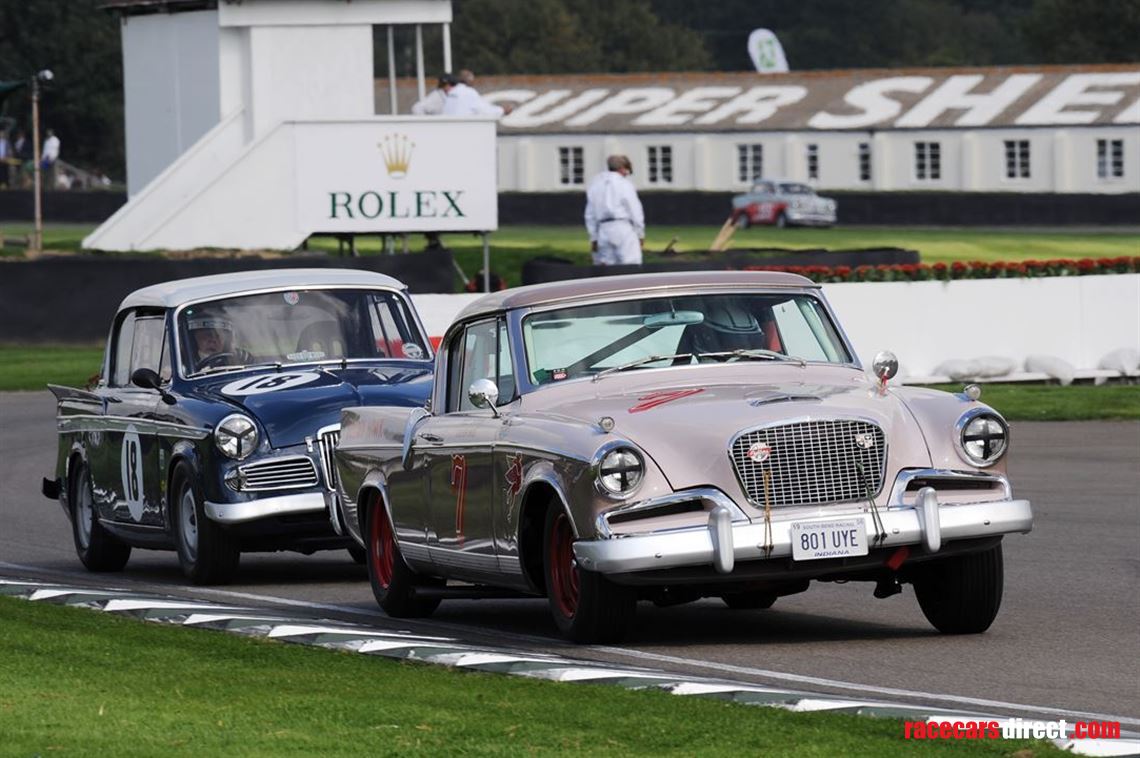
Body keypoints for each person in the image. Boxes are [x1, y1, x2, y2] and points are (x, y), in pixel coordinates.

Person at [584, 155, 645, 265]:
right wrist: (640, 234)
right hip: (623, 228)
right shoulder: (625, 184)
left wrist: (593, 237)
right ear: (622, 168)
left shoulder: (596, 185)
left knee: (606, 266)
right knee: (631, 264)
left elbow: (590, 214)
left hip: (602, 229)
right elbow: (635, 211)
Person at [441, 71, 507, 117]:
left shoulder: (452, 92)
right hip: (465, 129)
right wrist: (503, 110)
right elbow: (485, 110)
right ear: (469, 80)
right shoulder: (469, 92)